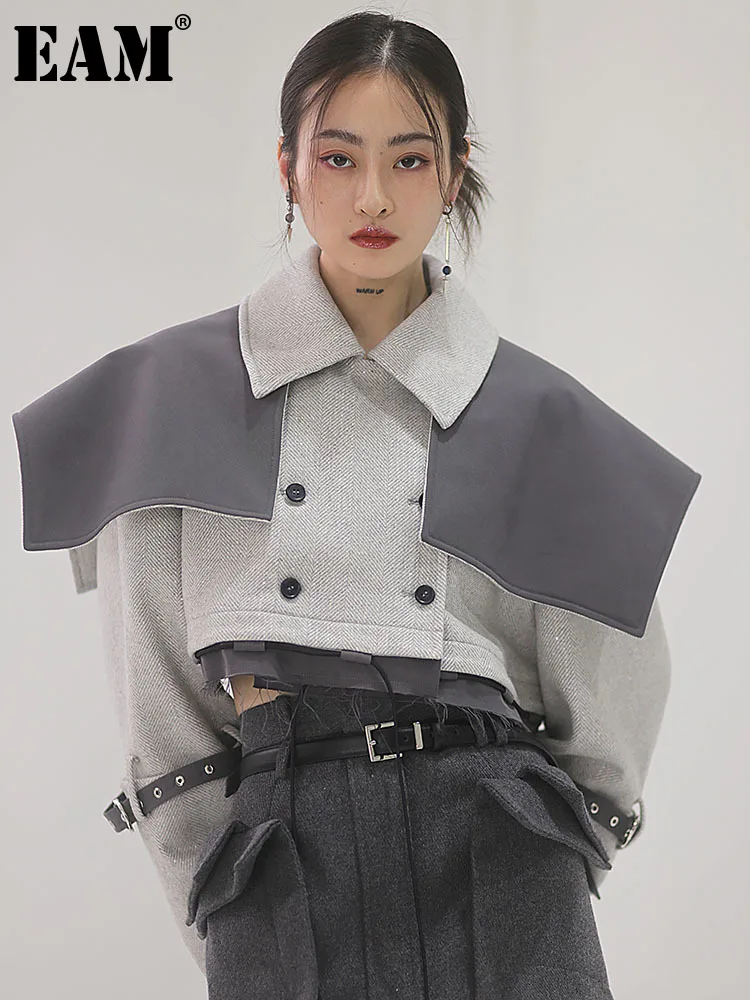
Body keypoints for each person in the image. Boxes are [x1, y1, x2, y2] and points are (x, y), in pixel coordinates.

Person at [11, 11, 702, 1000]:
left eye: (409, 159)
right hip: (286, 853)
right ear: (287, 168)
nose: (373, 195)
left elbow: (615, 717)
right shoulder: (171, 400)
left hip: (501, 856)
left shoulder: (538, 419)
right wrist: (234, 903)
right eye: (338, 158)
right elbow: (159, 719)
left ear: (454, 174)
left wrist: (549, 856)